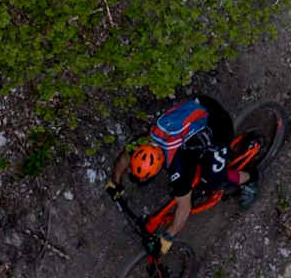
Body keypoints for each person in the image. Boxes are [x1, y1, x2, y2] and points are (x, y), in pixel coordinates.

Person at [106, 92, 253, 253]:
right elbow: (124, 159)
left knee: (214, 180)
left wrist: (168, 237)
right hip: (198, 106)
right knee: (191, 160)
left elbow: (184, 207)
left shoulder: (177, 165)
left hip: (217, 125)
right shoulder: (144, 142)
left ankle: (250, 178)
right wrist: (115, 181)